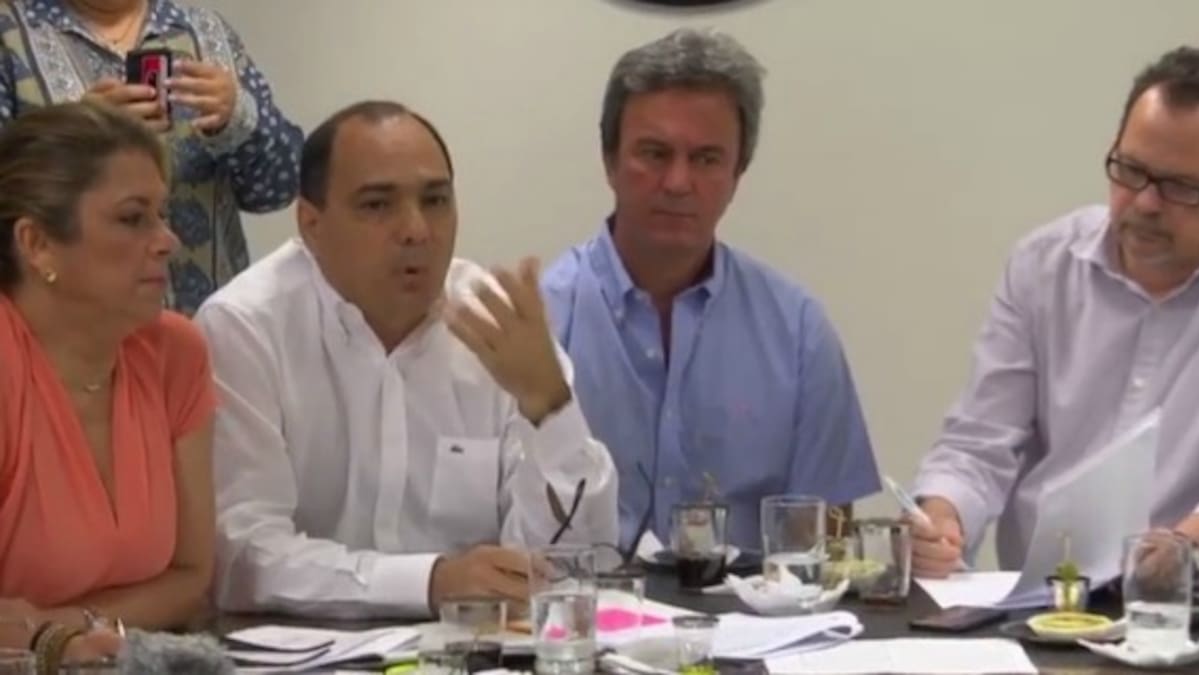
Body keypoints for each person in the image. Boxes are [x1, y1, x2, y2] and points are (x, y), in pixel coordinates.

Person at [196, 100, 619, 618]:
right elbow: (243, 555)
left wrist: (550, 408)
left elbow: (579, 565)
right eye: (377, 205)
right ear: (311, 224)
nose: (417, 229)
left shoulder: (496, 325)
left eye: (435, 200)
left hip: (474, 646)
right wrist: (430, 582)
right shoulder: (246, 326)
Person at [541, 28, 880, 551]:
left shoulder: (797, 333)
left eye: (706, 159)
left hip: (754, 602)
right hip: (587, 599)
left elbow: (824, 538)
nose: (678, 182)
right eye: (655, 153)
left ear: (737, 174)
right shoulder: (542, 322)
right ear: (609, 161)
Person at [910, 46, 1199, 578]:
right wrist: (944, 514)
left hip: (1182, 607)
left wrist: (1187, 547)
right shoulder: (1045, 265)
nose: (1145, 203)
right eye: (1131, 170)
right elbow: (980, 442)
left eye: (1181, 187)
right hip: (1041, 604)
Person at [0, 101, 217, 665]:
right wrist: (55, 644)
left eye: (162, 214)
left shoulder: (176, 353)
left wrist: (66, 629)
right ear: (37, 244)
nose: (167, 241)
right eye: (132, 218)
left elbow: (191, 576)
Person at [0, 0, 303, 315]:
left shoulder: (205, 31)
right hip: (76, 329)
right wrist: (77, 133)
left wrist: (239, 118)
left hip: (207, 323)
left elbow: (278, 188)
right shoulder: (10, 36)